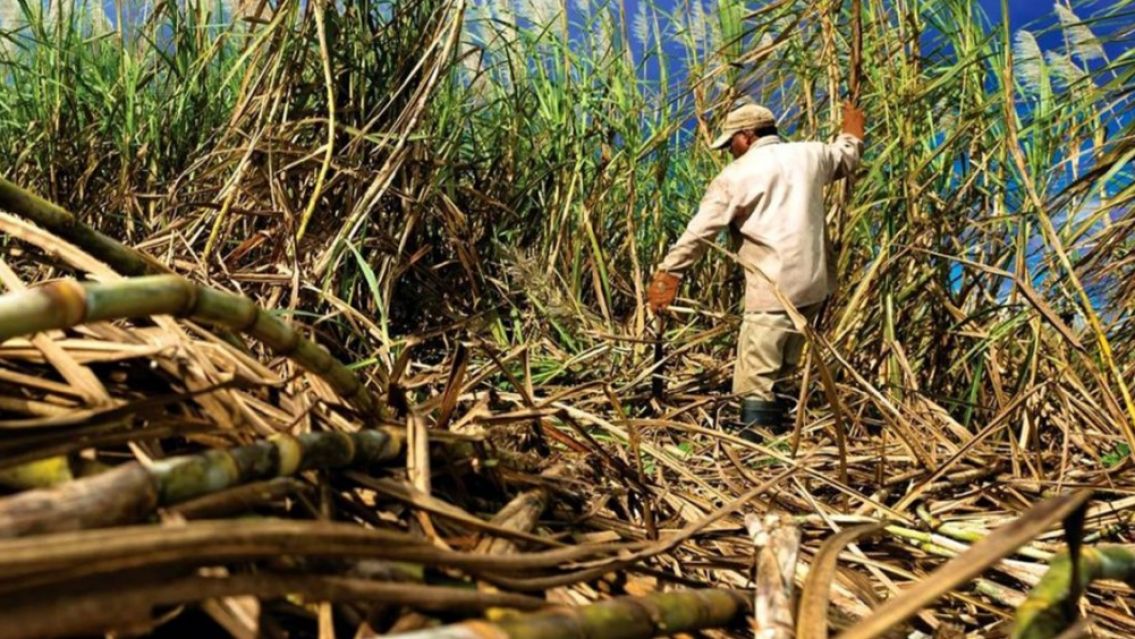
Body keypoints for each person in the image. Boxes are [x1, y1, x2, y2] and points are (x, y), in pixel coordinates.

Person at [647, 100, 865, 435]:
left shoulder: (736, 175)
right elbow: (847, 156)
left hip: (773, 289)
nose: (728, 151)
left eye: (731, 142)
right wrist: (852, 130)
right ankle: (782, 441)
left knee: (755, 380)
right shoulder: (811, 155)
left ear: (747, 137)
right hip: (814, 286)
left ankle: (755, 454)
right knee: (785, 370)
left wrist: (669, 272)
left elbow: (700, 232)